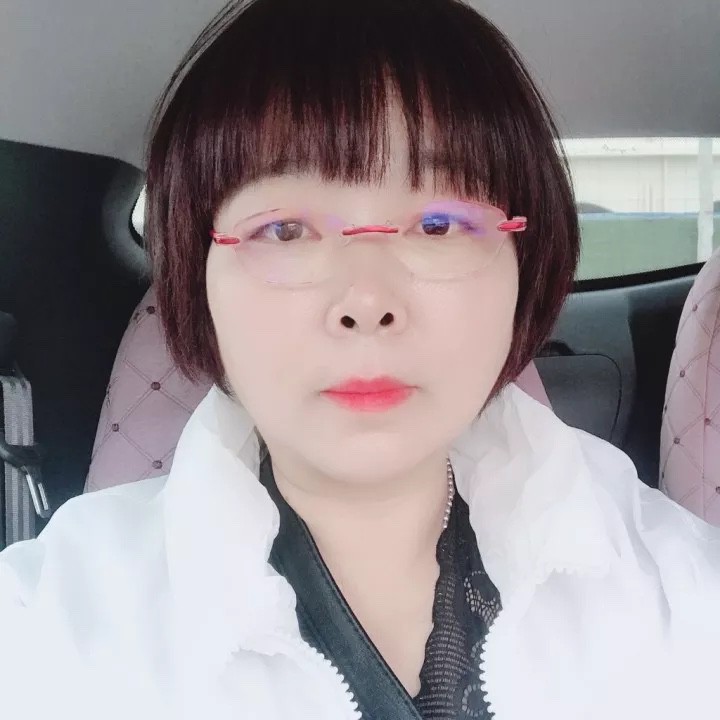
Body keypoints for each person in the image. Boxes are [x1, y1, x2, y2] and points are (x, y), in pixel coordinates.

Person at [1, 0, 719, 718]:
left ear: (524, 270)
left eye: (438, 224)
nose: (367, 300)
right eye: (285, 230)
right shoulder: (52, 624)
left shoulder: (676, 587)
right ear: (198, 280)